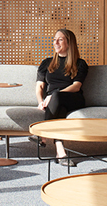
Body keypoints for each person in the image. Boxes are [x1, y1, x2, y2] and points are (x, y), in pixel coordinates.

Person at [34, 29, 89, 161]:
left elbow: (76, 86)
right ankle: (60, 152)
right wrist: (40, 101)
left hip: (73, 98)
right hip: (54, 102)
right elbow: (39, 86)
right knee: (60, 110)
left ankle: (43, 134)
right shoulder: (46, 63)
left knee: (57, 97)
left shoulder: (80, 63)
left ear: (69, 43)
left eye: (60, 39)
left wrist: (53, 96)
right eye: (54, 39)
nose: (56, 42)